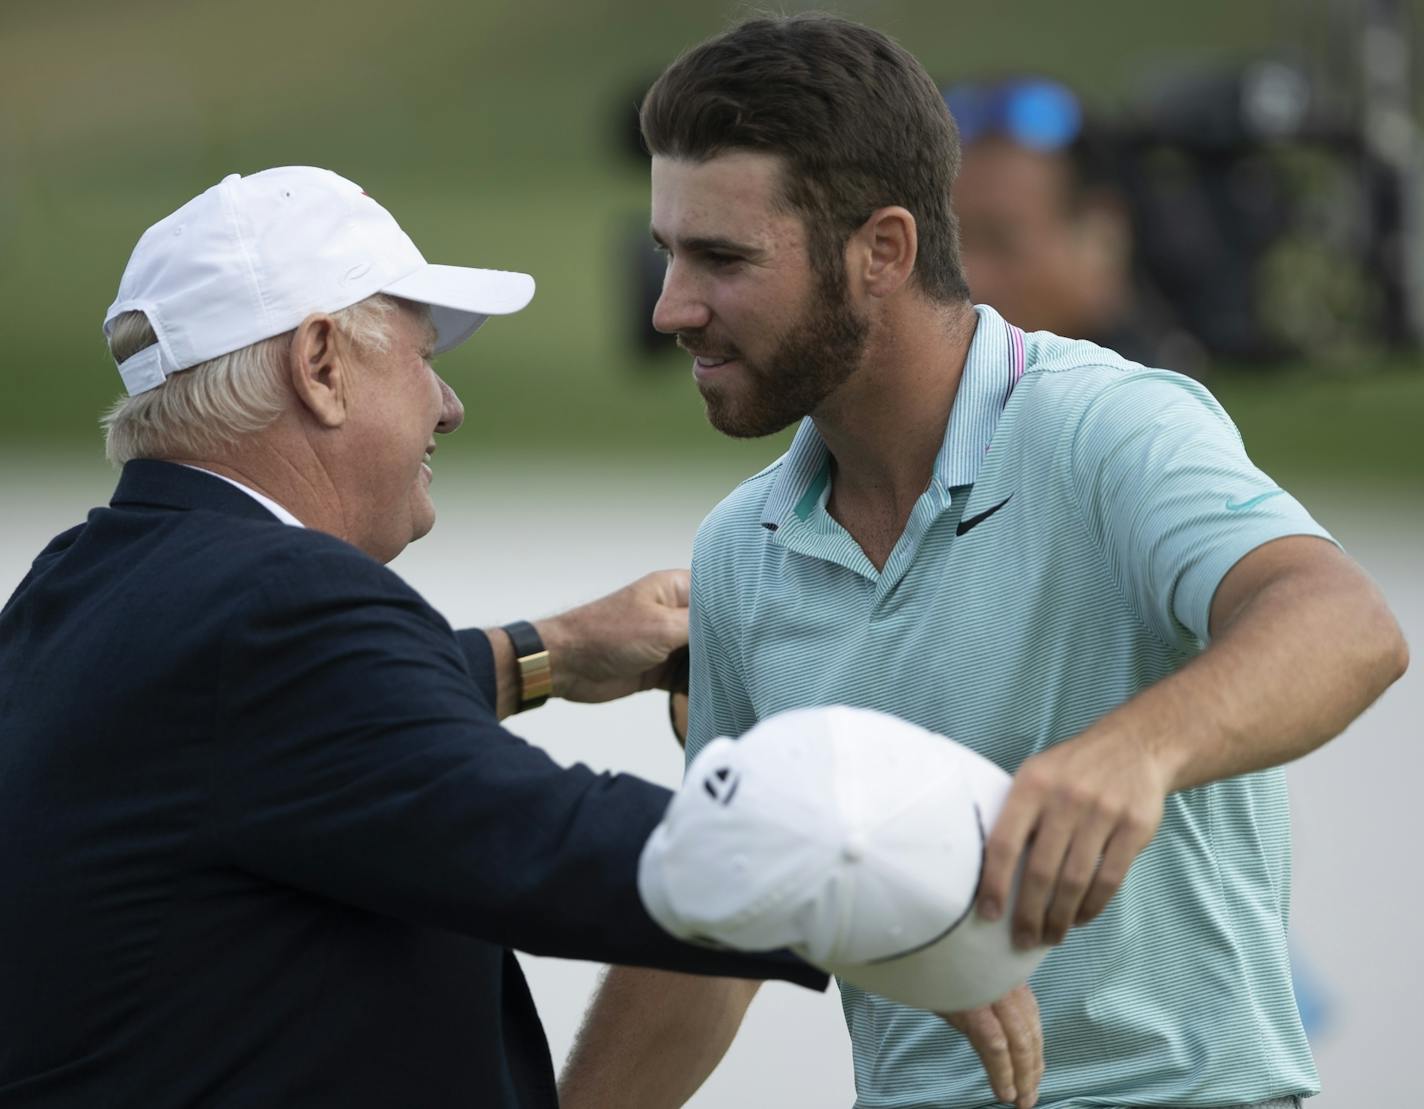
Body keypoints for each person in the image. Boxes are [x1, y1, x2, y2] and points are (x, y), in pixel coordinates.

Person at [558, 15, 1408, 1109]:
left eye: (720, 258)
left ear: (882, 252)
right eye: (670, 251)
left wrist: (1131, 754)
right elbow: (727, 914)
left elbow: (1345, 624)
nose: (670, 306)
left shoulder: (1107, 426)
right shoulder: (740, 548)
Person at [0, 165, 833, 1109]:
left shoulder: (74, 584)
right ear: (320, 365)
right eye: (422, 356)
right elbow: (557, 847)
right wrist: (894, 878)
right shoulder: (281, 604)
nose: (448, 403)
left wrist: (549, 651)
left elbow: (261, 735)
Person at [946, 76, 1205, 377]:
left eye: (998, 243)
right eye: (941, 243)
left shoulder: (1166, 415)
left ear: (1103, 242)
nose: (964, 277)